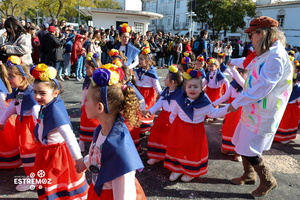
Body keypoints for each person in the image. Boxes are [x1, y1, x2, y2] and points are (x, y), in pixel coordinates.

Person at [227, 16, 293, 198]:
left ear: (262, 33)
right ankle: (248, 175)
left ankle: (268, 181)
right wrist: (232, 62)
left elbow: (262, 87)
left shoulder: (276, 57)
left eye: (251, 35)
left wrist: (235, 103)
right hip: (253, 109)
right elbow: (250, 62)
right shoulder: (266, 52)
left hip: (264, 112)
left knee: (250, 149)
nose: (250, 39)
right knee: (241, 142)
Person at [83, 64, 146, 199]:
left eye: (87, 100)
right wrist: (86, 162)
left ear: (99, 107)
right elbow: (100, 158)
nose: (84, 103)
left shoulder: (119, 148)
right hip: (98, 191)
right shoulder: (101, 130)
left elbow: (124, 194)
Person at [31, 64, 88, 199]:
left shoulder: (56, 111)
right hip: (46, 151)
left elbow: (69, 136)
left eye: (42, 93)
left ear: (55, 93)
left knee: (58, 182)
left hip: (57, 155)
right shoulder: (47, 105)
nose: (37, 96)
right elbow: (41, 123)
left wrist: (78, 159)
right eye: (34, 92)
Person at [164, 69, 229, 182]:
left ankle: (191, 171)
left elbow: (214, 113)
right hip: (179, 127)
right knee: (178, 147)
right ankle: (177, 168)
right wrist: (172, 121)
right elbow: (175, 110)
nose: (192, 89)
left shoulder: (204, 102)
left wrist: (228, 108)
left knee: (192, 151)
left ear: (201, 88)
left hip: (195, 130)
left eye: (195, 87)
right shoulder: (181, 98)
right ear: (185, 88)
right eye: (189, 86)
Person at [0, 56, 40, 191]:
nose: (9, 79)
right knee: (25, 149)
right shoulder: (20, 91)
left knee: (29, 150)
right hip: (22, 124)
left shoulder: (29, 93)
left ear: (23, 78)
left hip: (30, 125)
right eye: (8, 75)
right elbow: (13, 106)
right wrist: (2, 120)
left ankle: (33, 177)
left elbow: (36, 110)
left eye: (12, 76)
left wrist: (38, 128)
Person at [144, 65, 183, 165]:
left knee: (170, 138)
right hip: (162, 117)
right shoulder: (166, 91)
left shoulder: (180, 94)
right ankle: (156, 156)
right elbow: (159, 103)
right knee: (157, 135)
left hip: (174, 119)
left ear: (172, 82)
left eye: (166, 78)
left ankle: (168, 157)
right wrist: (150, 111)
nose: (164, 80)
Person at [213, 68, 248, 162]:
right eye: (246, 75)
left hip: (242, 112)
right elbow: (225, 96)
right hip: (230, 111)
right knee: (228, 128)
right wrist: (214, 104)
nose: (247, 77)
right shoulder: (232, 85)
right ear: (241, 74)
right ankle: (226, 146)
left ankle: (238, 152)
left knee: (240, 130)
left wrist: (232, 68)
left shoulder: (247, 86)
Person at [134, 47, 162, 134]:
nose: (139, 61)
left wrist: (162, 94)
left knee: (146, 111)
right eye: (139, 59)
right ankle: (137, 129)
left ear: (148, 61)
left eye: (142, 59)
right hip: (139, 93)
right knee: (137, 111)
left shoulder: (152, 73)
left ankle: (144, 129)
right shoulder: (137, 71)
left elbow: (157, 86)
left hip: (148, 95)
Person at [0, 62, 21, 169]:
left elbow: (2, 103)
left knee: (6, 142)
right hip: (5, 115)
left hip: (3, 115)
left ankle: (9, 162)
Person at [79, 53, 101, 152]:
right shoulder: (88, 79)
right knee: (84, 121)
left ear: (94, 67)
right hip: (87, 104)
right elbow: (84, 91)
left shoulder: (99, 80)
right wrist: (82, 104)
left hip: (95, 104)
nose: (85, 70)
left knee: (95, 123)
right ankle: (82, 142)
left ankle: (95, 143)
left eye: (87, 67)